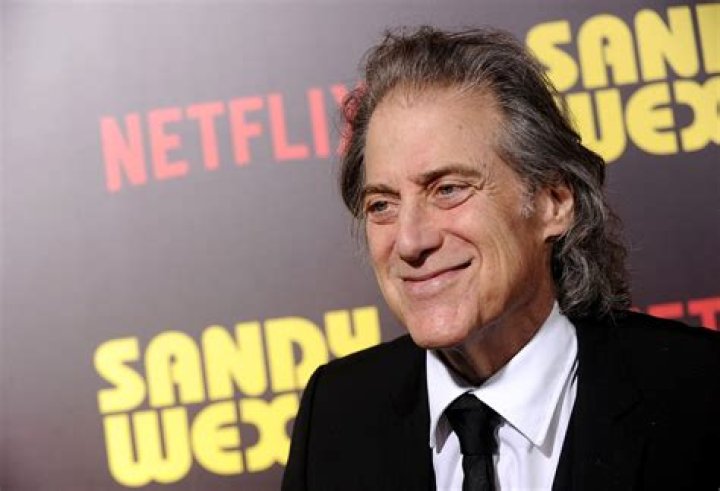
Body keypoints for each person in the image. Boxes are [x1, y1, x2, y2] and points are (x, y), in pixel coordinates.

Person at [282, 26, 720, 491]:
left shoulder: (702, 392)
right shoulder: (336, 414)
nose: (409, 241)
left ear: (553, 202)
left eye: (448, 189)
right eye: (382, 205)